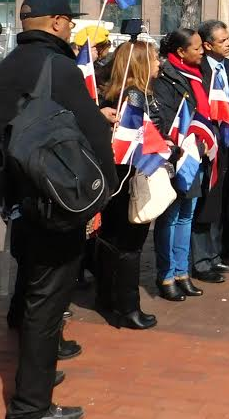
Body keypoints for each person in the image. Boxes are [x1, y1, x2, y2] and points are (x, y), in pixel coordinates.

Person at [0, 0, 118, 419]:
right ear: (59, 22)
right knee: (47, 303)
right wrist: (104, 191)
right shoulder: (59, 67)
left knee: (31, 286)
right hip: (57, 201)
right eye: (70, 21)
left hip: (18, 196)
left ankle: (35, 373)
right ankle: (31, 405)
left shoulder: (5, 65)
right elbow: (94, 134)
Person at [96, 41, 159, 329]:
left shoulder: (111, 93)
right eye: (154, 59)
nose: (159, 64)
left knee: (110, 240)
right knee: (130, 244)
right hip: (127, 178)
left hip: (112, 177)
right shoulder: (134, 97)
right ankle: (128, 308)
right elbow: (136, 143)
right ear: (141, 64)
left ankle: (106, 297)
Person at [151, 28, 207, 303]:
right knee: (170, 217)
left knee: (187, 214)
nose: (202, 51)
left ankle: (183, 273)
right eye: (196, 47)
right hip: (174, 157)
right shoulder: (165, 80)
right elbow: (166, 119)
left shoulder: (197, 76)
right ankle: (167, 275)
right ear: (180, 53)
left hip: (194, 155)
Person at [195, 21, 229, 284]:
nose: (228, 43)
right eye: (222, 40)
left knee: (222, 202)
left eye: (228, 38)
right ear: (208, 45)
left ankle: (215, 254)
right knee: (205, 203)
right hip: (205, 145)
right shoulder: (199, 70)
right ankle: (200, 260)